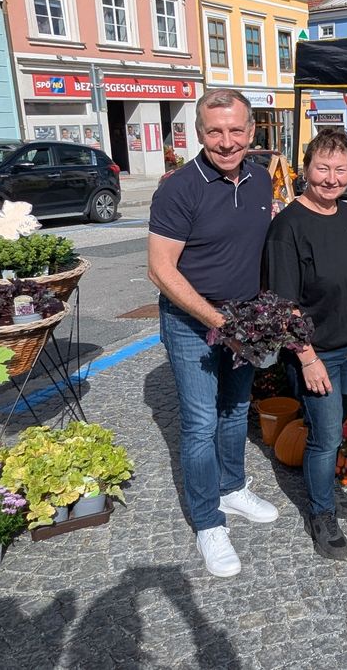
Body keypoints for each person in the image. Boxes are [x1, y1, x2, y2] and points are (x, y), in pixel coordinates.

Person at [147, 88, 278, 578]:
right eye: (215, 131)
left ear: (251, 132)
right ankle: (207, 520)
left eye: (236, 130)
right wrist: (221, 323)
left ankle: (233, 485)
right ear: (200, 134)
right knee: (200, 423)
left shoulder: (262, 180)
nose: (226, 141)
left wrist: (265, 317)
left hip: (245, 321)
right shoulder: (180, 187)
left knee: (236, 409)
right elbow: (160, 270)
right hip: (191, 323)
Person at [266, 128, 347, 560]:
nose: (331, 178)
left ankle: (326, 485)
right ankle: (321, 513)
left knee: (336, 425)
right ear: (305, 168)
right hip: (318, 354)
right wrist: (307, 359)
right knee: (325, 437)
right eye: (322, 168)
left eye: (341, 169)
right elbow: (282, 304)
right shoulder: (288, 227)